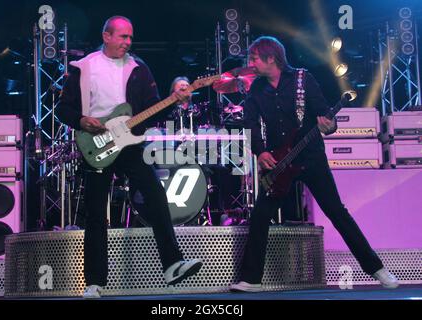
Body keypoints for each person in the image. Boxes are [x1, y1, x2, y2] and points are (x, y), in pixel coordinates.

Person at [230, 36, 399, 292]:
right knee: (261, 214)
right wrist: (260, 152)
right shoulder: (256, 89)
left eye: (254, 58)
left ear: (271, 58)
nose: (250, 63)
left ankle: (378, 269)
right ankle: (251, 279)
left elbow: (326, 118)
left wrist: (328, 125)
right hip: (279, 162)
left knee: (336, 212)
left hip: (310, 157)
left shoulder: (302, 79)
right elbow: (251, 124)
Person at [57, 16, 202, 299]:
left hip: (130, 143)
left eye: (130, 38)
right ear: (107, 36)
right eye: (122, 37)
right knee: (96, 212)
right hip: (96, 144)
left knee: (156, 195)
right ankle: (94, 282)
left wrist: (175, 98)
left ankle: (172, 264)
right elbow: (63, 109)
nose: (128, 43)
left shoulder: (138, 68)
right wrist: (81, 120)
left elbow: (154, 109)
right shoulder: (84, 66)